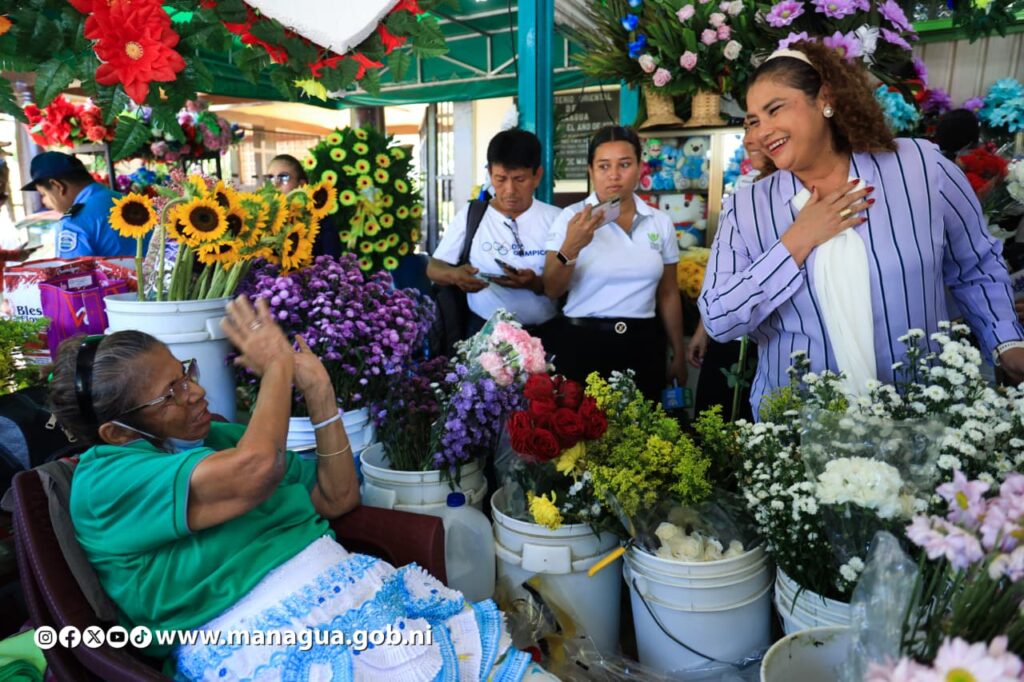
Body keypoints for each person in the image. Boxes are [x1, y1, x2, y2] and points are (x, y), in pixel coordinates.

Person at [51, 295, 552, 680]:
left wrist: (319, 394)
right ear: (117, 432)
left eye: (186, 372)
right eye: (172, 393)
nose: (197, 391)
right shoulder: (104, 479)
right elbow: (257, 469)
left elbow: (337, 497)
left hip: (357, 599)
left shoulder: (212, 439)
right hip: (258, 637)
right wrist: (275, 370)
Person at [699, 42, 1024, 418]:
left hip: (922, 418)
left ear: (825, 98)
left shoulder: (920, 168)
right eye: (754, 119)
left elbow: (975, 266)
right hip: (800, 432)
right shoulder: (747, 207)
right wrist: (796, 242)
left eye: (775, 109)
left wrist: (1006, 342)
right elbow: (718, 319)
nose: (763, 131)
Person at [427, 128, 562, 345]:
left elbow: (567, 283)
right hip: (484, 335)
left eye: (519, 179)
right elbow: (434, 267)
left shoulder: (557, 219)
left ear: (537, 175)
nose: (509, 190)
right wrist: (456, 276)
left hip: (545, 335)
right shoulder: (472, 215)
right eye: (500, 179)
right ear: (490, 173)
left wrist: (535, 283)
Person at [688, 127, 768, 421]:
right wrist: (703, 327)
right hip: (730, 332)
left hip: (770, 340)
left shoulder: (801, 188)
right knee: (716, 419)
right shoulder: (742, 187)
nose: (751, 138)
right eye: (750, 126)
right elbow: (723, 264)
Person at [20, 151, 135, 259]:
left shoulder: (73, 224)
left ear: (58, 186)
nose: (44, 202)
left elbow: (72, 277)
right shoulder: (130, 201)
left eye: (43, 194)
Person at [266, 153, 343, 259]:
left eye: (283, 177)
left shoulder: (321, 220)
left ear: (302, 184)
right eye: (270, 177)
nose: (275, 184)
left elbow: (331, 263)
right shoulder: (262, 219)